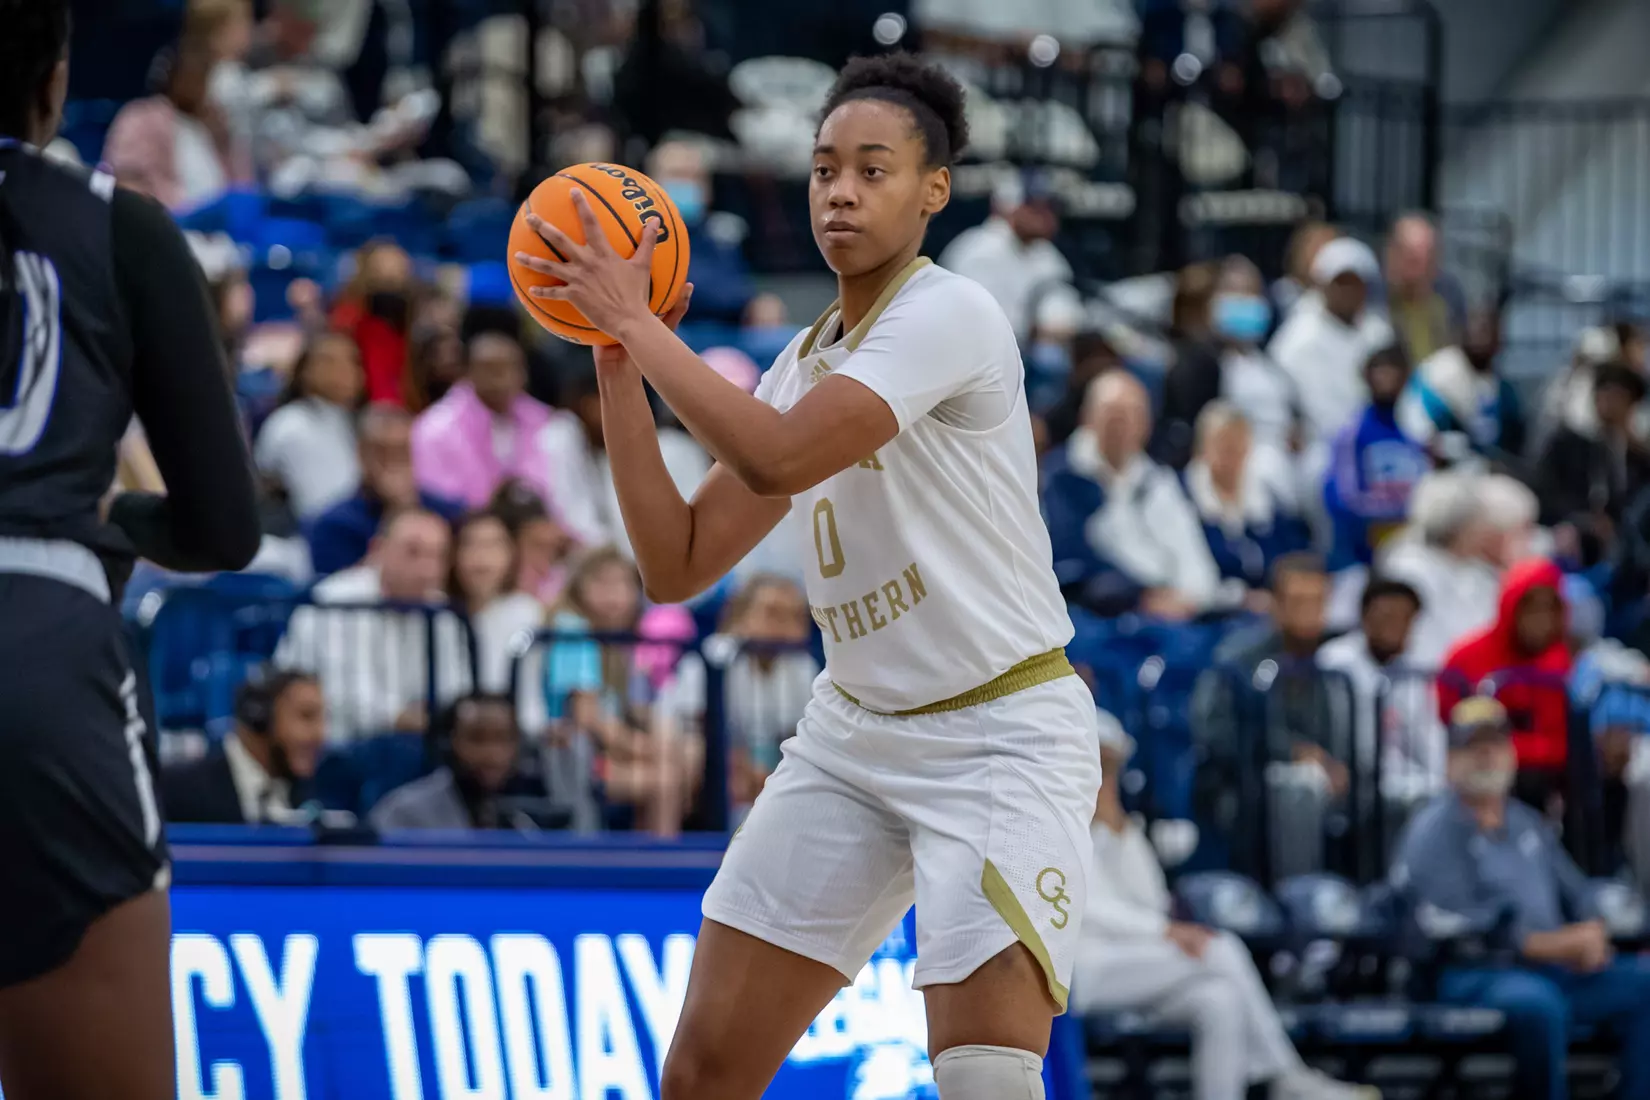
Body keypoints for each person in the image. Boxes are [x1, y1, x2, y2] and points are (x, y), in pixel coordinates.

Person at [514, 52, 1101, 1099]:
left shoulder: (951, 312)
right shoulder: (802, 359)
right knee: (701, 1073)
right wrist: (615, 359)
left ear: (935, 190)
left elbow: (776, 458)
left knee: (982, 1078)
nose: (840, 188)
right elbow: (675, 562)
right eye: (826, 167)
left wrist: (643, 322)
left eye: (873, 169)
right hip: (854, 736)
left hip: (997, 732)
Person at [0, 2, 260, 1095]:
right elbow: (223, 525)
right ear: (55, 81)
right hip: (37, 636)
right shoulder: (119, 224)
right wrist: (104, 529)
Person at [1074, 713, 1376, 1100]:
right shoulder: (1062, 826)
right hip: (1085, 973)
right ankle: (1288, 1076)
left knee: (1220, 1001)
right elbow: (1090, 908)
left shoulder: (1119, 830)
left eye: (1111, 768)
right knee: (1222, 949)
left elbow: (1153, 902)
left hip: (1138, 965)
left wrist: (1118, 833)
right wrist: (1164, 932)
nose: (1105, 779)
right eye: (1099, 765)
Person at [1393, 697, 1650, 1100]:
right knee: (1539, 1005)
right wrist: (1549, 945)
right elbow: (1448, 928)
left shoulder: (1526, 822)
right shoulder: (1433, 831)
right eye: (1472, 746)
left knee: (1643, 983)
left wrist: (1594, 932)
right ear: (1450, 759)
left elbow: (1578, 891)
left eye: (1494, 744)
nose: (1485, 755)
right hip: (1473, 974)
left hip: (1554, 970)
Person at [1043, 371, 1235, 620]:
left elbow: (1188, 546)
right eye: (1113, 414)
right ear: (1087, 418)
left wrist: (1192, 598)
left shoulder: (1158, 479)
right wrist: (1141, 596)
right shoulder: (1062, 478)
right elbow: (1072, 560)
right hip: (1103, 612)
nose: (1122, 425)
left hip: (1177, 609)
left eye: (1133, 414)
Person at [277, 507, 469, 740]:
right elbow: (339, 694)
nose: (428, 571)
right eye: (413, 552)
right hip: (334, 744)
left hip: (416, 742)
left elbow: (455, 688)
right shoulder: (336, 602)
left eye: (439, 556)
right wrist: (400, 718)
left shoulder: (443, 611)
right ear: (378, 549)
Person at [1437, 557, 1572, 818]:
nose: (1540, 620)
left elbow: (1559, 740)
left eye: (1549, 610)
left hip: (1542, 780)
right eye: (1531, 609)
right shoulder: (1467, 657)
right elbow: (1463, 735)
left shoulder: (1559, 660)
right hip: (1480, 777)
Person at [1316, 577, 1443, 805]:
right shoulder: (1335, 661)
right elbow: (1338, 733)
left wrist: (1442, 783)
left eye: (1404, 619)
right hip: (1347, 776)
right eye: (1387, 617)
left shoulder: (1416, 670)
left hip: (1403, 779)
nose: (1395, 627)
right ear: (1365, 617)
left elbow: (1428, 738)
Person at [306, 404, 465, 576]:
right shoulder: (334, 525)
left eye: (402, 451)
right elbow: (333, 593)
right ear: (362, 454)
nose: (394, 462)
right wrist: (398, 511)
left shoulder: (450, 514)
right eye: (383, 452)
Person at [1268, 236, 1395, 448]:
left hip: (1375, 442)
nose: (1348, 292)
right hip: (1318, 449)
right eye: (1341, 283)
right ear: (1322, 284)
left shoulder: (1379, 332)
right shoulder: (1297, 338)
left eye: (1356, 283)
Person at [411, 330, 558, 510]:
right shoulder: (435, 428)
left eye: (509, 368)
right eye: (490, 369)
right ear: (466, 372)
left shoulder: (548, 423)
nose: (500, 379)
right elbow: (436, 498)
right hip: (466, 528)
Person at [160, 670, 326, 825]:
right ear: (259, 717)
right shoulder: (177, 791)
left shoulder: (314, 799)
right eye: (306, 716)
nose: (320, 734)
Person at [1323, 345, 1430, 574]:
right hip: (1358, 558)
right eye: (1380, 372)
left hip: (1409, 550)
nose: (1386, 380)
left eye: (1393, 372)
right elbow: (1342, 500)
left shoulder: (1414, 435)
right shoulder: (1352, 434)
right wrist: (1399, 510)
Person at [1185, 401, 1310, 595]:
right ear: (1202, 446)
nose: (1232, 451)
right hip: (1214, 605)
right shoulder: (1184, 497)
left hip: (1270, 602)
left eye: (1239, 442)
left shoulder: (1266, 498)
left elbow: (1293, 553)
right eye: (1223, 442)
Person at [1536, 361, 1650, 566]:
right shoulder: (1568, 443)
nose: (1606, 403)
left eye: (1617, 396)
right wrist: (1585, 520)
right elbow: (1547, 493)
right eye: (1601, 394)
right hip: (1574, 532)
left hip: (1628, 544)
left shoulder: (1638, 455)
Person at [937, 170, 1073, 342]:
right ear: (1010, 207)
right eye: (1035, 208)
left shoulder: (1046, 254)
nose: (1046, 216)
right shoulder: (980, 249)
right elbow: (978, 323)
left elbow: (1067, 311)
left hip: (1024, 351)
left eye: (1050, 208)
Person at [371, 693, 531, 830]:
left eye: (503, 738)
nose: (491, 753)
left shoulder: (526, 819)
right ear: (449, 743)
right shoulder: (403, 813)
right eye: (476, 738)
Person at [252, 331, 365, 520]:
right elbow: (320, 507)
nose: (343, 370)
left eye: (352, 361)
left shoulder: (348, 420)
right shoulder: (293, 425)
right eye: (329, 361)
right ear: (304, 370)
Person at [448, 510, 545, 693]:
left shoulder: (528, 612)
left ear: (512, 555)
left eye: (493, 545)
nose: (481, 556)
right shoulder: (439, 613)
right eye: (470, 544)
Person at [1380, 213, 1462, 366]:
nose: (1421, 271)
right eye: (1413, 260)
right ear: (1392, 256)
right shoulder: (1373, 305)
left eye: (1429, 259)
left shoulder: (1447, 302)